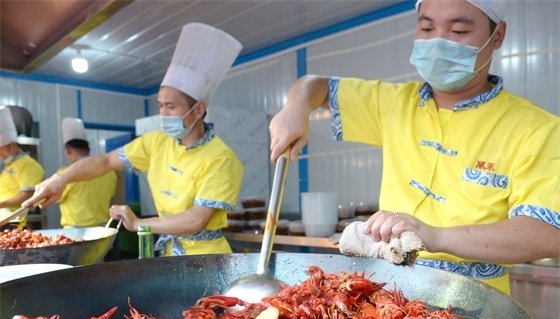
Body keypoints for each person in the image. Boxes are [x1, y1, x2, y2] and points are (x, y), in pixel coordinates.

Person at [269, 0, 559, 294]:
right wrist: (297, 105)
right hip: (392, 294)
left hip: (478, 302)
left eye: (458, 30)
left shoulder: (536, 128)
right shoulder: (394, 103)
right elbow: (313, 84)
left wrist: (433, 236)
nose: (438, 42)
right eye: (427, 27)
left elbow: (547, 234)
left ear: (497, 36)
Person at [25, 23, 244, 256]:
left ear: (198, 110)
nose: (163, 114)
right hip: (170, 253)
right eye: (160, 106)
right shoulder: (156, 142)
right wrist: (61, 178)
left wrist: (139, 223)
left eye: (171, 106)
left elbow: (197, 220)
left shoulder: (220, 157)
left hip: (208, 257)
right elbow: (106, 162)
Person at [58, 117, 117, 228]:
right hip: (103, 229)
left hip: (75, 232)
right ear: (88, 149)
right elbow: (112, 195)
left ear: (69, 150)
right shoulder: (109, 171)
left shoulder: (65, 174)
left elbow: (55, 197)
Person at [0, 106, 44, 227]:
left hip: (12, 223)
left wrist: (1, 204)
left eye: (1, 149)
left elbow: (28, 195)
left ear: (12, 145)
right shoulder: (8, 166)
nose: (0, 154)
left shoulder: (28, 164)